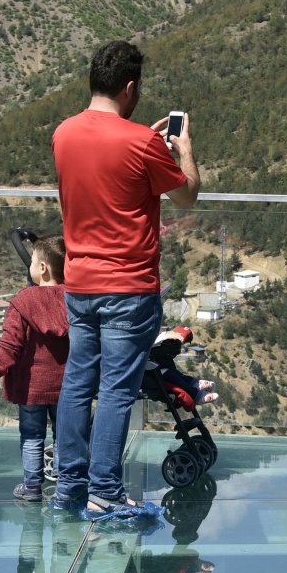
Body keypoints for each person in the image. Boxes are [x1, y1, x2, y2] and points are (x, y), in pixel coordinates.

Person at [51, 40, 200, 522]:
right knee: (116, 389)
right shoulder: (142, 142)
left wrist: (143, 142)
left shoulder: (64, 133)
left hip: (78, 281)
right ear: (131, 88)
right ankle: (105, 494)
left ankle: (70, 487)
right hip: (129, 286)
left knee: (77, 383)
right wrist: (184, 152)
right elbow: (186, 198)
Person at [0, 235, 69, 502]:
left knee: (32, 436)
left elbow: (11, 344)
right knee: (65, 435)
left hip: (31, 387)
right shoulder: (75, 298)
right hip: (68, 385)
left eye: (31, 260)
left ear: (42, 268)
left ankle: (32, 488)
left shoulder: (23, 301)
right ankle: (66, 486)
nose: (29, 265)